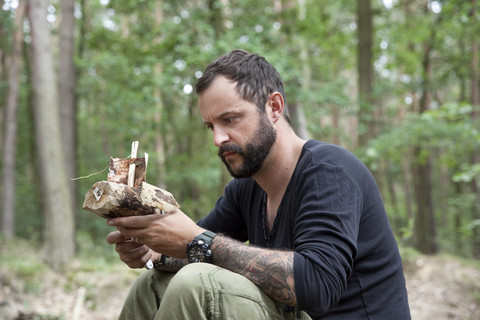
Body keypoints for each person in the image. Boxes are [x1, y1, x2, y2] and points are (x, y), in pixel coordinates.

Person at [106, 49, 411, 320]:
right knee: (151, 285)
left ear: (274, 107)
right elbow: (192, 247)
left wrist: (197, 240)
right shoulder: (247, 187)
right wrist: (155, 252)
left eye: (230, 119)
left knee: (197, 284)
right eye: (211, 126)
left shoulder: (329, 172)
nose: (218, 138)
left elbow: (319, 286)